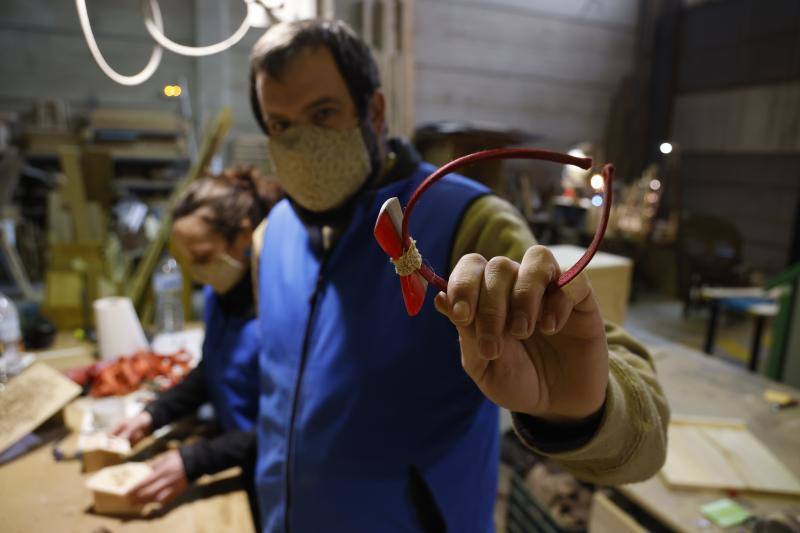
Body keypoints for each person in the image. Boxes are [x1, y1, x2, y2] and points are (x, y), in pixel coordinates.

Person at [249, 19, 670, 532]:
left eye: (323, 113)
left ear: (374, 111)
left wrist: (584, 411)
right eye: (280, 125)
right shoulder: (271, 236)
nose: (301, 142)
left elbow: (645, 439)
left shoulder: (468, 221)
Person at [112, 168, 280, 523]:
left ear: (243, 235)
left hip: (275, 477)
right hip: (235, 459)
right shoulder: (221, 295)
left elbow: (288, 426)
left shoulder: (278, 307)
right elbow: (213, 370)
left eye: (203, 256)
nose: (196, 271)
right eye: (187, 259)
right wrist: (154, 414)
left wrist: (196, 460)